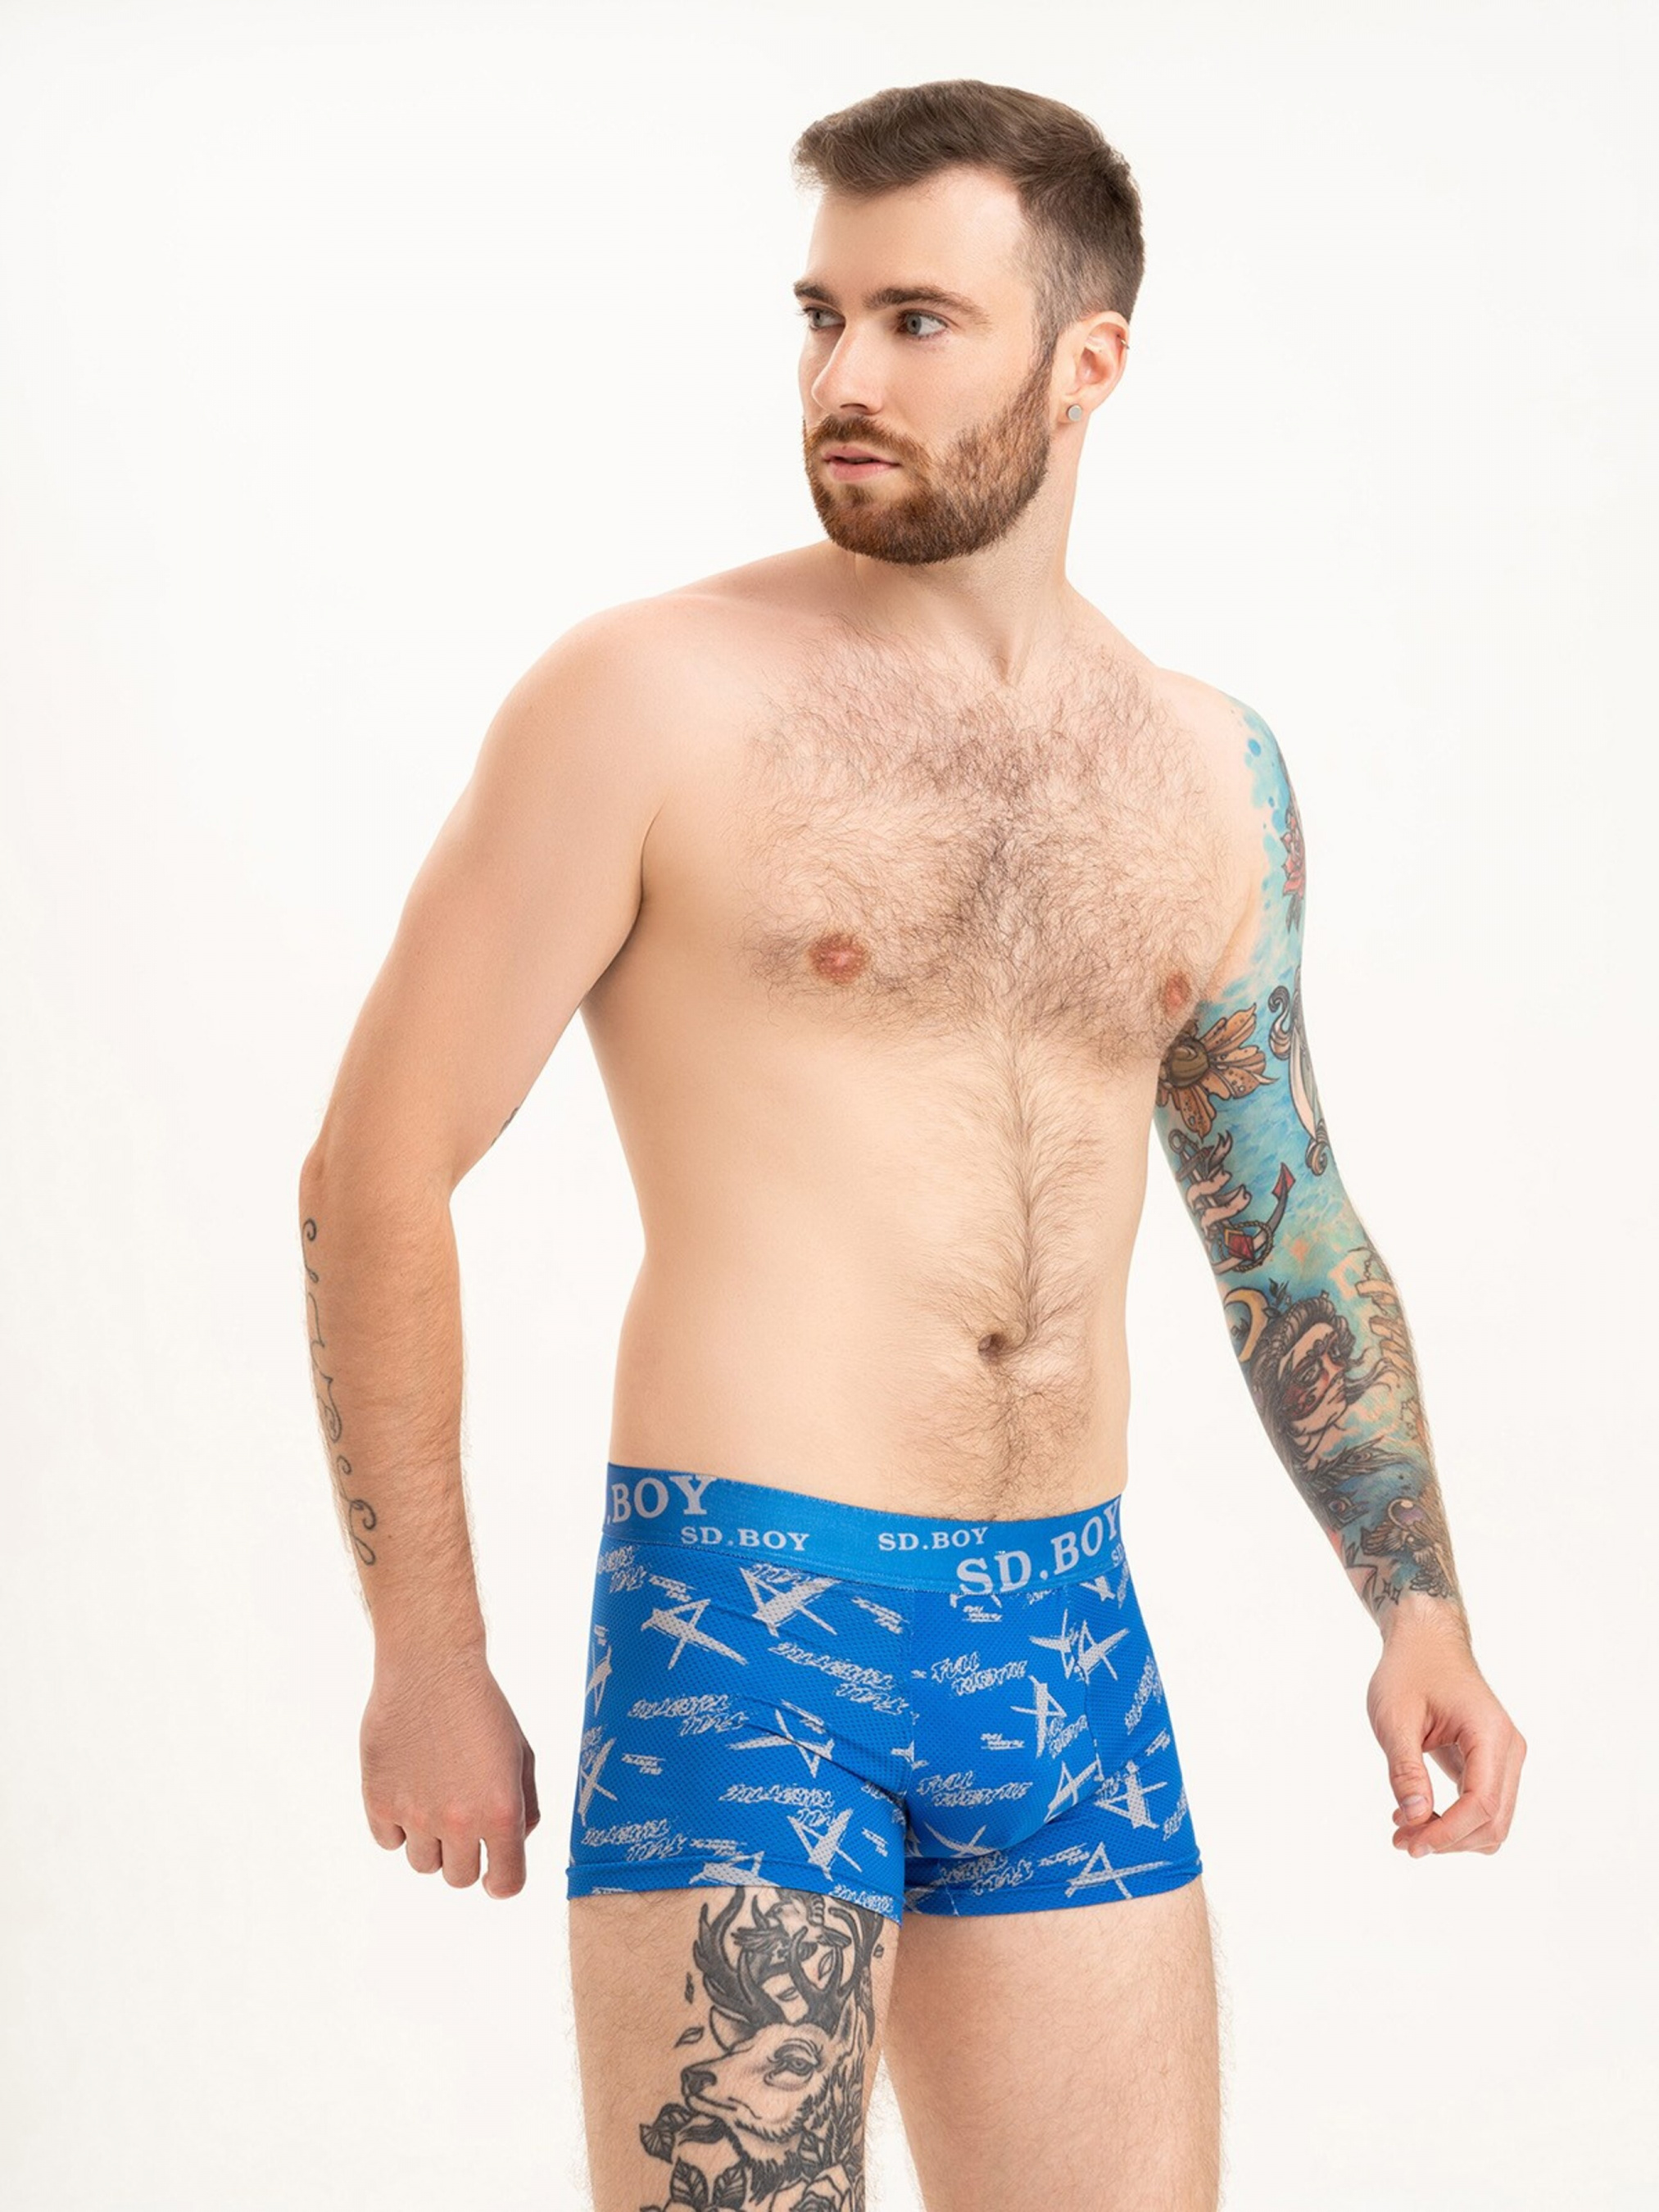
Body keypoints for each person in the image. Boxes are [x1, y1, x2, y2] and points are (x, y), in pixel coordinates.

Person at [298, 76, 1526, 2212]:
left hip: (1067, 1638)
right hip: (750, 1632)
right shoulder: (649, 697)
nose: (842, 378)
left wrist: (1416, 1600)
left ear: (1087, 360)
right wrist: (425, 1651)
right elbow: (374, 1167)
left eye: (916, 322)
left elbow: (1284, 1220)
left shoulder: (1207, 770)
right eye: (821, 315)